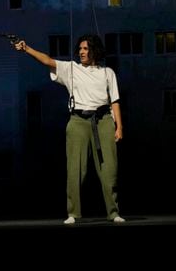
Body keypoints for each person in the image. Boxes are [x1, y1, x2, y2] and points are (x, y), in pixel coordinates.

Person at [14, 34, 125, 224]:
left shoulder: (108, 72)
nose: (81, 52)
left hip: (103, 120)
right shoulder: (71, 69)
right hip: (78, 121)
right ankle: (73, 213)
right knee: (75, 169)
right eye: (80, 49)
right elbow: (47, 60)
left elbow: (114, 100)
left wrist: (119, 126)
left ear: (94, 50)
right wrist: (26, 48)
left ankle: (113, 212)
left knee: (109, 169)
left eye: (85, 49)